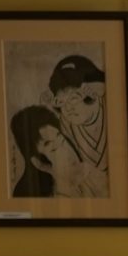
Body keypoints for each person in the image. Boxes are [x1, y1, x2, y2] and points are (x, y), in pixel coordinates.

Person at [45, 53, 109, 196]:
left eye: (74, 98)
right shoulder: (66, 124)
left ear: (91, 92)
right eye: (61, 102)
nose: (67, 108)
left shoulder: (111, 110)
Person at [8, 104, 81, 198]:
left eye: (63, 141)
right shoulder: (26, 194)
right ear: (37, 162)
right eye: (54, 149)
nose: (67, 152)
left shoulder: (90, 174)